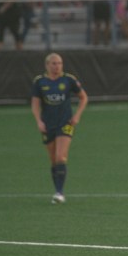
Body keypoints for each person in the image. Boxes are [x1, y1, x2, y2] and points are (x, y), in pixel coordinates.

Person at [30, 53, 89, 204]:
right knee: (53, 160)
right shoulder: (40, 82)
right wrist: (38, 121)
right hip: (48, 124)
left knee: (61, 157)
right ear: (47, 65)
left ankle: (59, 193)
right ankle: (57, 189)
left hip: (66, 124)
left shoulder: (69, 80)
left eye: (60, 63)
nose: (57, 66)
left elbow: (84, 97)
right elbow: (35, 103)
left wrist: (77, 116)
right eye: (54, 63)